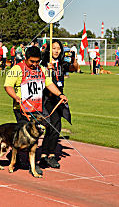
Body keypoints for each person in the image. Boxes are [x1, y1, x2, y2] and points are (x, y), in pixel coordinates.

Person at [4, 46, 68, 175]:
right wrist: (15, 97)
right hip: (22, 108)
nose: (34, 64)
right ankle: (23, 159)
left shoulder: (42, 69)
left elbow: (49, 84)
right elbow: (8, 86)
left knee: (37, 134)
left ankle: (32, 160)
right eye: (31, 61)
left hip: (37, 108)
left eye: (37, 61)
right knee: (26, 136)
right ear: (26, 59)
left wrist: (59, 94)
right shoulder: (17, 69)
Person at [39, 40, 75, 169]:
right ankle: (49, 155)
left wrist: (73, 57)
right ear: (49, 50)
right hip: (47, 99)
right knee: (53, 127)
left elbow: (74, 68)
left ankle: (46, 155)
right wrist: (47, 70)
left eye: (58, 48)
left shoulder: (61, 64)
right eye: (54, 48)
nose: (56, 51)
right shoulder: (43, 64)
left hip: (59, 99)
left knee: (54, 128)